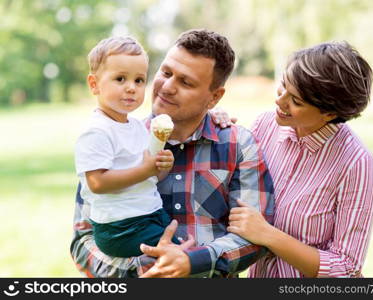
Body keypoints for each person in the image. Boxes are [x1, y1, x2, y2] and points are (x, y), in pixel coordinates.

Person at [70, 29, 275, 278]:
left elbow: (255, 238)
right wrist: (151, 270)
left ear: (214, 98)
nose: (166, 87)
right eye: (165, 73)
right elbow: (83, 241)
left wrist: (192, 262)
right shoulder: (121, 139)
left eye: (185, 82)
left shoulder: (238, 145)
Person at [226, 41, 373, 277]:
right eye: (283, 86)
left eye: (296, 101)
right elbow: (234, 187)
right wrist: (217, 132)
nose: (280, 101)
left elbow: (346, 267)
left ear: (329, 113)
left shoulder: (355, 161)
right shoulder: (264, 125)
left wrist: (268, 235)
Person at [74, 36, 180, 258]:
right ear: (94, 84)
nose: (131, 88)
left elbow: (151, 177)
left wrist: (161, 167)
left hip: (150, 214)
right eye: (120, 79)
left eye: (139, 80)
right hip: (120, 227)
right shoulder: (97, 130)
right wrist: (146, 170)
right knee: (182, 258)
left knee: (188, 253)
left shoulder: (138, 126)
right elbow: (97, 183)